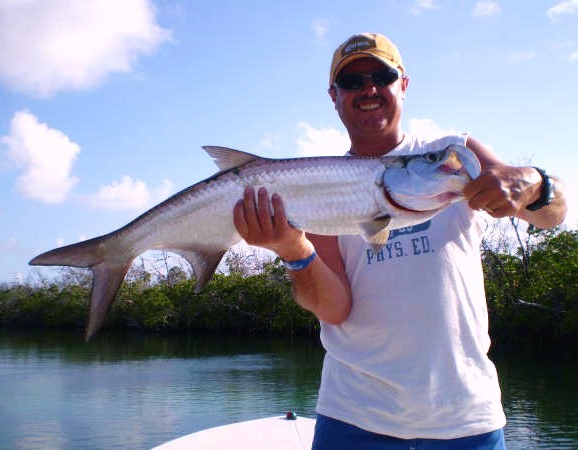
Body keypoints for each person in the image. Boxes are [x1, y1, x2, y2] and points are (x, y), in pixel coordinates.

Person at [233, 33, 567, 449]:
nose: (368, 89)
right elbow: (335, 309)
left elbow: (553, 216)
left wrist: (534, 183)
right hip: (353, 420)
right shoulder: (319, 186)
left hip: (467, 422)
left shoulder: (453, 154)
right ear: (333, 97)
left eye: (382, 75)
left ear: (403, 85)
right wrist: (294, 251)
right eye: (352, 82)